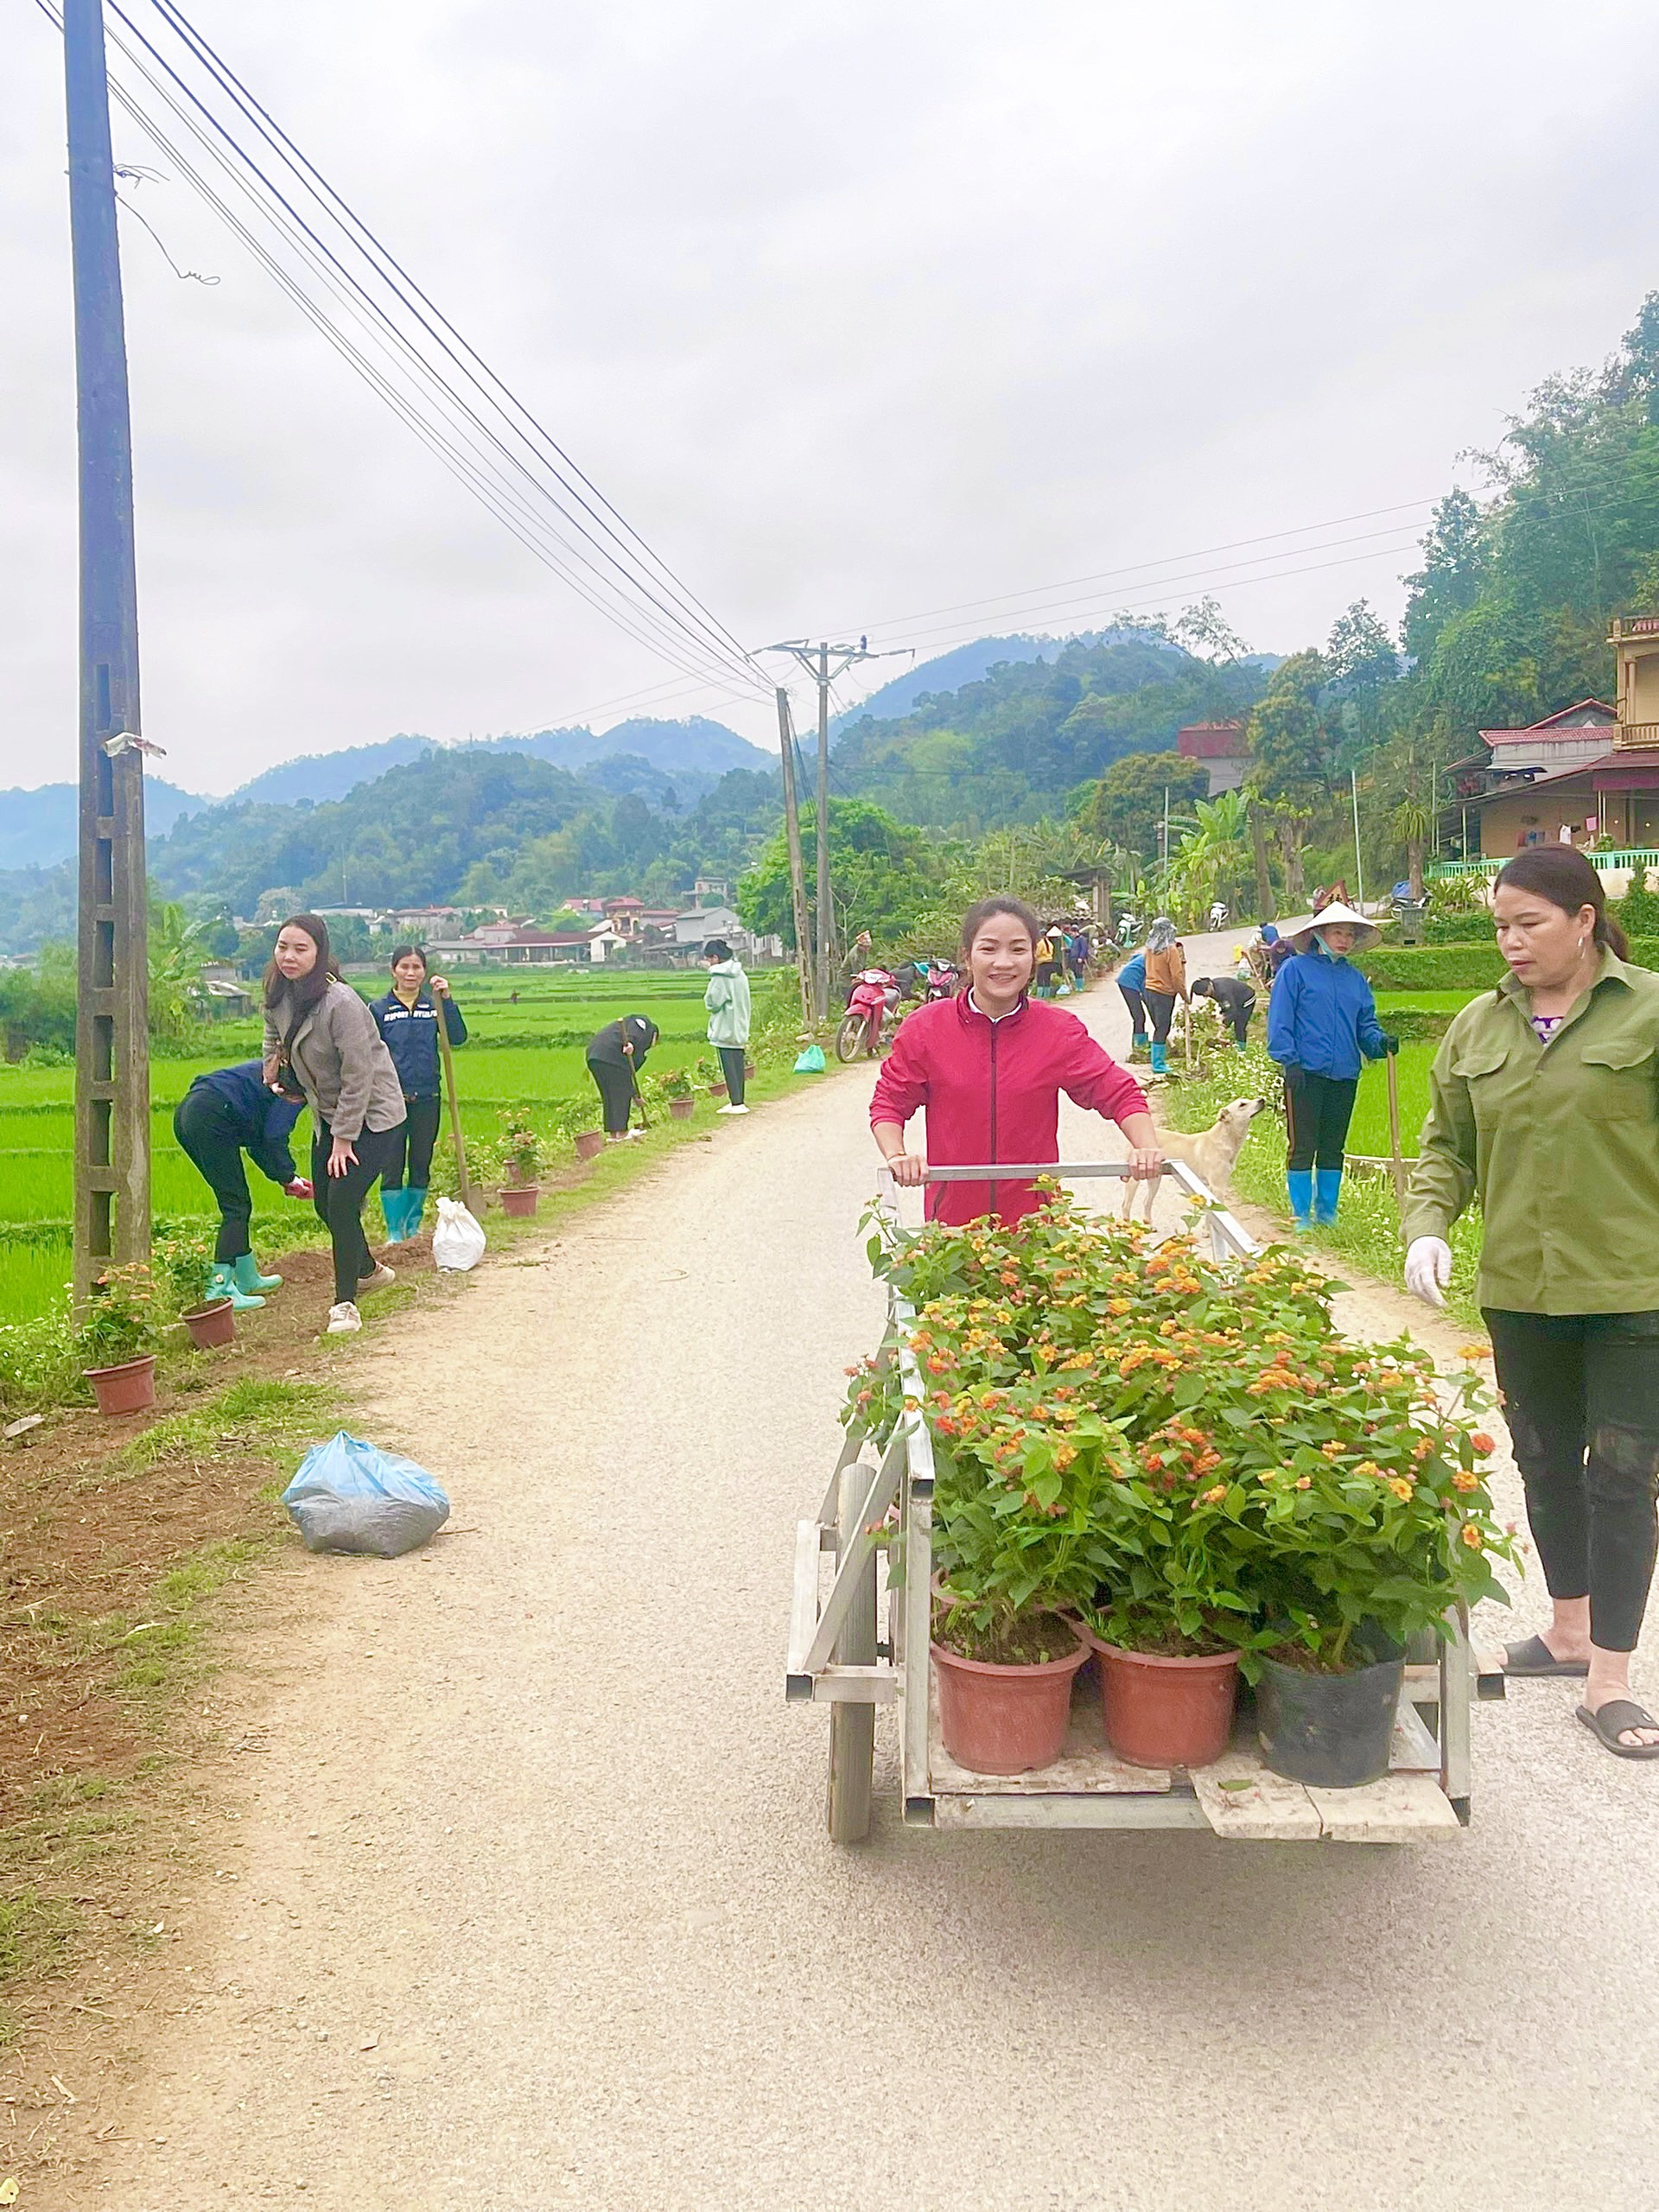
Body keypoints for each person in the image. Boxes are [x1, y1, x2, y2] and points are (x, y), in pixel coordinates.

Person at [1403, 846, 1659, 1759]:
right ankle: (1566, 1630)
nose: (1510, 943)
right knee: (1545, 1459)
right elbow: (1446, 1148)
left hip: (1634, 1287)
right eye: (1501, 926)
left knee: (1622, 1475)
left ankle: (1611, 1682)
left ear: (1584, 919)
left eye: (1529, 924)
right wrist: (1426, 1222)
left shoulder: (1651, 1010)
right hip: (1520, 1287)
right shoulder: (1477, 1028)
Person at [869, 895, 1162, 1227]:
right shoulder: (926, 1029)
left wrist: (1146, 1148)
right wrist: (898, 1156)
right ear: (967, 956)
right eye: (989, 949)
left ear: (1034, 956)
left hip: (1037, 1231)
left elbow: (1118, 1092)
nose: (1004, 963)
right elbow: (889, 1102)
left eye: (1018, 949)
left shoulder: (1057, 1031)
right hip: (953, 1230)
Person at [261, 913, 407, 1337]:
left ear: (319, 953)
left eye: (300, 949)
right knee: (325, 1204)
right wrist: (274, 1072)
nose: (289, 956)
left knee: (342, 1204)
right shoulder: (277, 992)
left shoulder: (341, 1003)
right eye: (283, 946)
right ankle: (368, 1268)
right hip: (327, 1114)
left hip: (375, 1118)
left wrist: (344, 1140)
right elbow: (272, 1036)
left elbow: (358, 1075)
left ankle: (345, 1304)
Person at [1266, 899, 1398, 1230]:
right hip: (1305, 1072)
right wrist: (1289, 1060)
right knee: (1303, 1145)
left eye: (1349, 934)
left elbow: (1365, 1025)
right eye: (1337, 932)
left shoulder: (1355, 980)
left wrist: (1380, 1043)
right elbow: (1280, 1020)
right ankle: (1302, 1215)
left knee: (1332, 1146)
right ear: (1319, 934)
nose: (1344, 940)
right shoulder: (1294, 971)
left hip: (1344, 1073)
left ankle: (1327, 1214)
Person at [173, 1061, 310, 1310]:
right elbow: (273, 1136)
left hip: (188, 1112)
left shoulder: (278, 1068)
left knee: (236, 1200)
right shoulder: (296, 1083)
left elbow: (259, 1144)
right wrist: (289, 1177)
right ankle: (219, 1287)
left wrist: (287, 1178)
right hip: (212, 1114)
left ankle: (247, 1278)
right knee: (235, 1205)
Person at [370, 946, 467, 1243]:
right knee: (392, 1164)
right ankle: (394, 1230)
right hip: (391, 1100)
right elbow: (369, 1052)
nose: (411, 973)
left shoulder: (433, 1005)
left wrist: (447, 1000)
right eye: (404, 967)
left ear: (424, 972)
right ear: (393, 970)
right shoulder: (379, 1010)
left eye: (417, 968)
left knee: (421, 1161)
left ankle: (413, 1226)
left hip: (427, 1096)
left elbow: (458, 1037)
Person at [585, 1014, 659, 1141]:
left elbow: (627, 1075)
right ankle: (622, 1133)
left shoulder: (639, 1053)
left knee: (609, 1095)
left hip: (595, 1055)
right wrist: (630, 1043)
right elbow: (635, 1030)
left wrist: (635, 1095)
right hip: (611, 1054)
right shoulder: (644, 1022)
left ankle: (614, 1134)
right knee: (621, 1095)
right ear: (655, 1035)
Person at [702, 938, 753, 1115]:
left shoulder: (720, 977)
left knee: (728, 1066)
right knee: (738, 1064)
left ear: (715, 958)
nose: (708, 962)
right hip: (739, 1024)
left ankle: (735, 1103)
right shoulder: (740, 974)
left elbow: (712, 1003)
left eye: (709, 958)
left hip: (724, 1027)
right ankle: (739, 1101)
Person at [1141, 918, 1187, 1077]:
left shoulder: (1149, 949)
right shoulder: (1170, 950)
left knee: (1158, 1027)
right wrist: (1183, 994)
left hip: (1149, 990)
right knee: (1163, 1028)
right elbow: (1176, 976)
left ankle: (1157, 1060)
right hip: (1164, 993)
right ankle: (1158, 1064)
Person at [1191, 972, 1255, 1049]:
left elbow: (1232, 1010)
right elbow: (1225, 1004)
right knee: (1233, 1020)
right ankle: (1236, 1043)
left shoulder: (1222, 991)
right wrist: (1224, 1015)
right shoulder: (1213, 987)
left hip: (1246, 998)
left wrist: (1224, 1024)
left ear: (1208, 987)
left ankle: (1241, 1049)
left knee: (1240, 1025)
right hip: (1235, 998)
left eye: (1204, 994)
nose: (1205, 996)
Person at [1116, 941, 1151, 1058]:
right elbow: (1145, 985)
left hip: (1125, 980)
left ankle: (1140, 1044)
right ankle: (1138, 1047)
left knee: (1139, 1016)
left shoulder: (1143, 956)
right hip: (1128, 984)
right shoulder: (1151, 962)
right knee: (1139, 1017)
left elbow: (1132, 959)